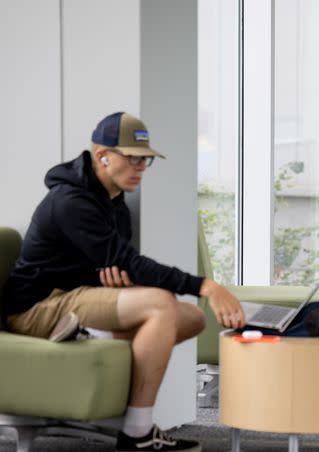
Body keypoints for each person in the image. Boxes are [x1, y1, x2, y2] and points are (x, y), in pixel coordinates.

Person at [0, 112, 247, 452]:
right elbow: (129, 262)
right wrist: (205, 285)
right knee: (162, 304)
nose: (140, 168)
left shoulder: (116, 205)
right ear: (102, 155)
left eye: (145, 160)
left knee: (191, 318)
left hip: (79, 298)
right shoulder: (70, 201)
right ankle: (137, 431)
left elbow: (117, 265)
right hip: (37, 307)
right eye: (132, 158)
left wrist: (115, 281)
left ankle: (89, 336)